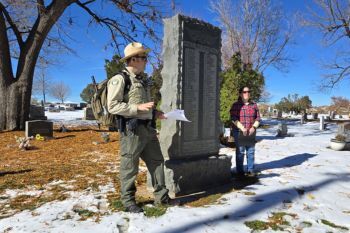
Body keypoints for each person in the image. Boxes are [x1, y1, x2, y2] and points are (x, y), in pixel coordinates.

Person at [107, 42, 177, 213]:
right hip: (132, 131)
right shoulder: (119, 79)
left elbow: (145, 106)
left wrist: (155, 113)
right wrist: (137, 108)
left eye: (145, 57)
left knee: (157, 163)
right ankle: (128, 201)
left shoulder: (143, 80)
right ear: (132, 60)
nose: (146, 60)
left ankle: (162, 198)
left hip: (148, 129)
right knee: (130, 166)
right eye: (143, 57)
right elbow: (112, 106)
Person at [230, 86, 261, 177]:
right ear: (240, 94)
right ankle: (240, 172)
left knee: (250, 151)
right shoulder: (236, 105)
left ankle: (250, 170)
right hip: (239, 131)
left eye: (248, 91)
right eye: (244, 92)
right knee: (240, 152)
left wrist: (253, 127)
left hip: (251, 131)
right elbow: (233, 118)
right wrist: (242, 128)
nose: (247, 93)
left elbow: (258, 118)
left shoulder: (254, 105)